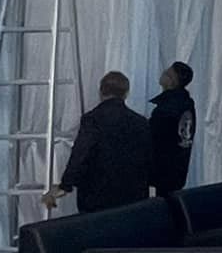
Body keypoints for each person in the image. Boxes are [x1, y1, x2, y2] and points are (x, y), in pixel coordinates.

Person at [42, 71, 151, 214]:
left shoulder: (92, 119)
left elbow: (80, 154)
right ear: (126, 93)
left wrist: (65, 185)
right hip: (133, 195)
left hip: (97, 196)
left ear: (101, 91)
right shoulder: (141, 122)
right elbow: (148, 158)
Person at [148, 62, 197, 198]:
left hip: (164, 167)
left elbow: (153, 135)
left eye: (167, 73)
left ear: (172, 81)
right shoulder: (186, 104)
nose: (163, 73)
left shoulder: (167, 108)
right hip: (179, 165)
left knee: (165, 202)